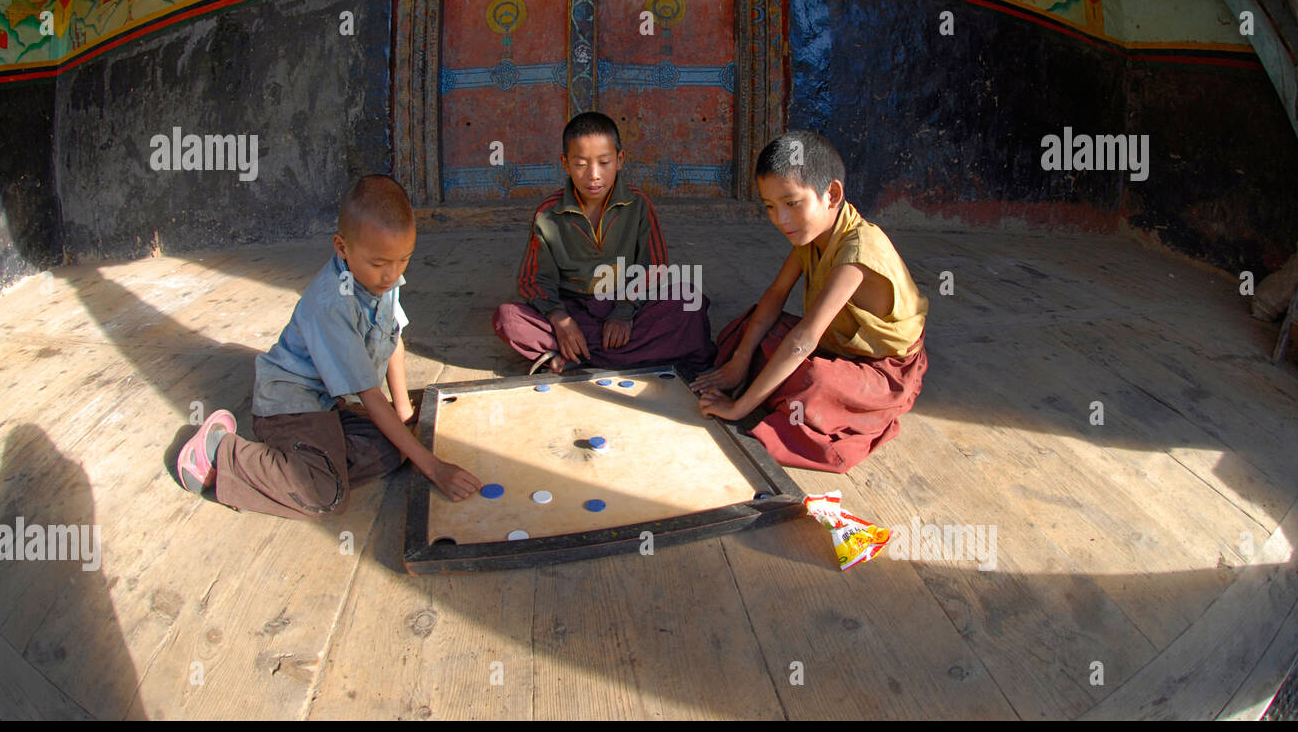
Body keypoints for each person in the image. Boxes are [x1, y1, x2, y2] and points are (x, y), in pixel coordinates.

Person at [175, 174, 481, 517]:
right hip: (291, 406)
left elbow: (394, 338)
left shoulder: (382, 277)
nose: (392, 275)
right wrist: (435, 468)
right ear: (341, 247)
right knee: (323, 495)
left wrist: (406, 415)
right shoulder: (333, 302)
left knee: (397, 448)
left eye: (403, 260)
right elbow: (369, 394)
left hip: (334, 404)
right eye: (379, 263)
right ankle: (220, 454)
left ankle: (308, 462)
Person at [691, 131, 928, 473]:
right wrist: (740, 362)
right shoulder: (813, 234)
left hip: (883, 370)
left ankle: (780, 398)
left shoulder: (857, 253)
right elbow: (774, 297)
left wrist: (739, 408)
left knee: (814, 379)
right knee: (751, 326)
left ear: (831, 194)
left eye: (791, 203)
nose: (780, 220)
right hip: (836, 346)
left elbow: (804, 340)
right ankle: (768, 387)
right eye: (770, 207)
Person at [493, 111, 718, 374]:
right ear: (564, 164)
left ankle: (576, 354)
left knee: (689, 301)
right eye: (580, 164)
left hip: (630, 303)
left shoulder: (638, 204)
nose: (594, 175)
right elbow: (533, 279)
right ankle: (632, 354)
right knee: (508, 319)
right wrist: (560, 319)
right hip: (574, 309)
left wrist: (623, 312)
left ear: (620, 160)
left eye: (604, 162)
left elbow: (654, 267)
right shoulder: (548, 213)